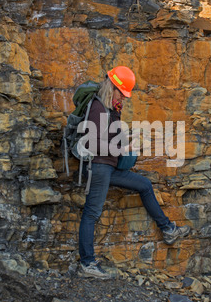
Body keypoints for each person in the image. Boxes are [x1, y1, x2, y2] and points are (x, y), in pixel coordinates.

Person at [78, 66, 190, 279]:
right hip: (99, 167)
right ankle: (87, 264)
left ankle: (168, 229)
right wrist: (121, 149)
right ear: (112, 86)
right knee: (92, 212)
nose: (124, 97)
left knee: (145, 185)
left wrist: (128, 143)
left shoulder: (111, 109)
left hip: (111, 166)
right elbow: (91, 142)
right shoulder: (97, 107)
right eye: (122, 92)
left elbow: (110, 139)